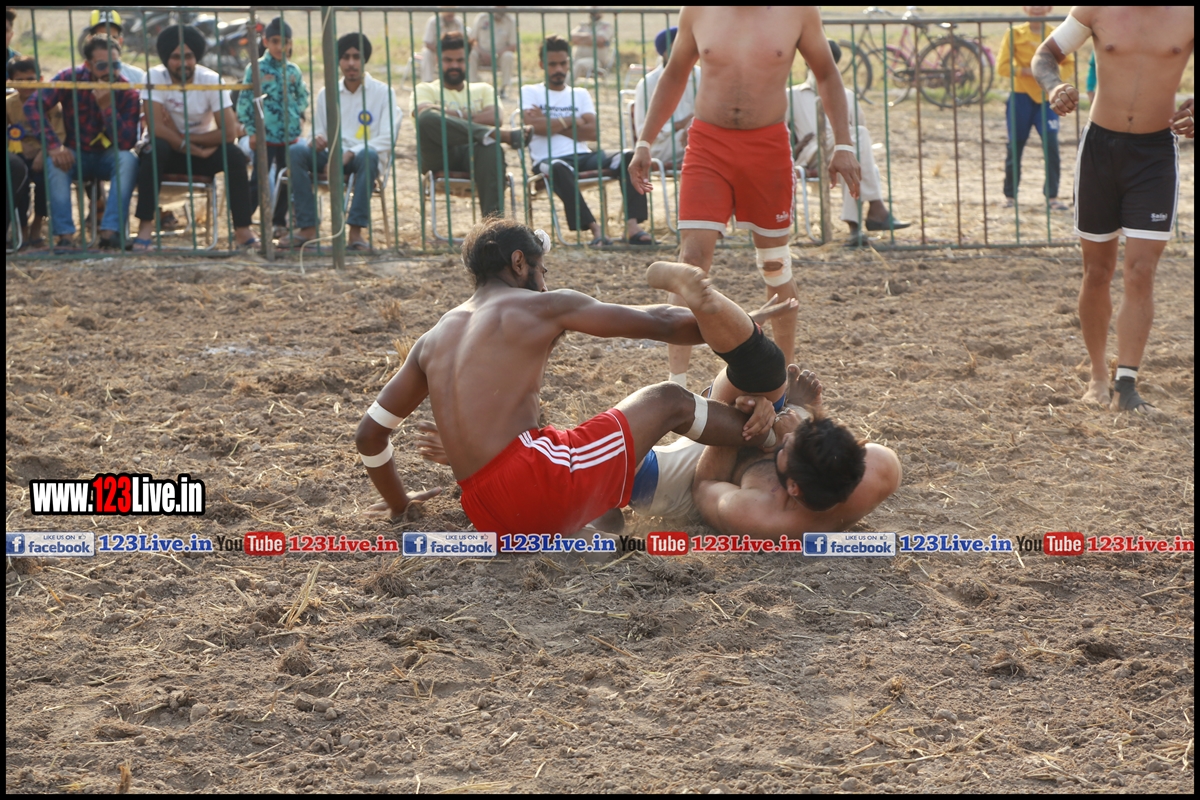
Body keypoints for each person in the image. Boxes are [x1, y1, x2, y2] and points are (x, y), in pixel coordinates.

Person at [355, 218, 791, 535]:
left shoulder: (431, 339)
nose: (545, 284)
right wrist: (734, 325)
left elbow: (369, 436)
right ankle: (772, 435)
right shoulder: (541, 306)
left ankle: (593, 524)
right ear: (519, 262)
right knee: (668, 399)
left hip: (487, 512)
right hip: (534, 481)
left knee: (608, 516)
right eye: (543, 271)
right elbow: (661, 321)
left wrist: (400, 503)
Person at [629, 7, 862, 387]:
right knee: (691, 261)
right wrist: (644, 141)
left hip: (767, 147)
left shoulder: (797, 12)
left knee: (775, 264)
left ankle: (781, 384)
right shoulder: (698, 10)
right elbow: (675, 73)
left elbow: (826, 73)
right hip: (708, 145)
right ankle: (676, 385)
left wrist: (844, 144)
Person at [1033, 7, 1193, 416]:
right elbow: (1045, 54)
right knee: (1097, 270)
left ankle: (1126, 385)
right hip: (1099, 151)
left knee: (1140, 270)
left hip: (1155, 155)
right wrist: (1054, 86)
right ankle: (1097, 376)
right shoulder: (1096, 8)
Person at [521, 35, 654, 247]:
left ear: (569, 63)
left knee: (628, 156)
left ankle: (632, 227)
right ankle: (595, 230)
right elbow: (534, 126)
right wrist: (574, 120)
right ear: (541, 65)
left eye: (563, 63)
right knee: (557, 167)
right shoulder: (530, 91)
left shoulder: (580, 93)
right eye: (552, 64)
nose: (558, 69)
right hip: (550, 161)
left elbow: (592, 132)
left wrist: (549, 122)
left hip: (583, 156)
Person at [133, 26, 255, 251]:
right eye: (176, 57)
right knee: (156, 148)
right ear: (166, 59)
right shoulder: (154, 77)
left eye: (188, 56)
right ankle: (145, 228)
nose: (183, 63)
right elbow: (156, 128)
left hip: (200, 152)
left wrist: (186, 139)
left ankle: (242, 230)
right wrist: (190, 145)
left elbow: (228, 133)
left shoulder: (211, 79)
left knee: (235, 155)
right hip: (166, 154)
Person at [282, 34, 398, 252]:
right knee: (296, 151)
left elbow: (388, 137)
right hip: (331, 155)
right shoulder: (327, 93)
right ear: (338, 61)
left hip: (362, 158)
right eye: (345, 57)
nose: (351, 63)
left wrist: (351, 153)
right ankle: (307, 228)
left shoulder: (383, 93)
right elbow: (317, 130)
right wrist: (316, 140)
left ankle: (355, 232)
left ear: (364, 60)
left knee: (369, 155)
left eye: (356, 57)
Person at [23, 35, 139, 251]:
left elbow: (126, 142)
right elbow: (32, 105)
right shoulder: (70, 78)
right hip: (73, 152)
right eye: (102, 65)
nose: (110, 71)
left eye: (115, 65)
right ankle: (65, 237)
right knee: (54, 162)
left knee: (129, 159)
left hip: (108, 155)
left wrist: (107, 108)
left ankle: (110, 233)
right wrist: (53, 146)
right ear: (88, 64)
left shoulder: (127, 91)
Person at [789, 40, 911, 243]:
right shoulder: (792, 95)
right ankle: (877, 209)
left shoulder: (847, 96)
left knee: (856, 150)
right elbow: (777, 131)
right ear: (807, 62)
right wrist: (797, 147)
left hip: (842, 150)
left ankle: (855, 229)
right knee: (857, 138)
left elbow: (859, 133)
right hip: (811, 154)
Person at [414, 31, 525, 220]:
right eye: (448, 60)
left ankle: (493, 226)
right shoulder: (425, 89)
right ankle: (498, 135)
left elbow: (495, 118)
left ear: (468, 60)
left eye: (460, 60)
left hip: (475, 153)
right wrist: (475, 119)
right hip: (439, 153)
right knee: (426, 118)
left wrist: (449, 114)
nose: (454, 65)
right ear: (438, 60)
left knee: (492, 148)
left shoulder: (483, 89)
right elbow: (423, 115)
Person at [237, 16, 308, 236]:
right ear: (266, 42)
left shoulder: (293, 71)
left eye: (284, 42)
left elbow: (303, 96)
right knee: (259, 179)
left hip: (289, 135)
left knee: (286, 178)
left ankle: (278, 222)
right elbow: (245, 102)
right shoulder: (256, 69)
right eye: (275, 41)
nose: (280, 47)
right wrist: (251, 130)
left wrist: (296, 113)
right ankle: (244, 223)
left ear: (290, 44)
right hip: (264, 135)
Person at [997, 6, 1074, 211]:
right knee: (1015, 146)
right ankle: (1010, 196)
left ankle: (1052, 197)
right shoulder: (1013, 34)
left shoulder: (1057, 34)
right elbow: (1002, 67)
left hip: (1047, 98)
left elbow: (1069, 64)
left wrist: (1050, 76)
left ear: (1049, 8)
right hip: (1020, 96)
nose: (1037, 8)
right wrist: (1026, 71)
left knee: (1051, 145)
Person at [7, 56, 65, 248]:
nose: (26, 84)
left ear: (40, 79)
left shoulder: (51, 103)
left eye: (31, 79)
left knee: (45, 183)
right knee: (19, 183)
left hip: (46, 154)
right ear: (11, 82)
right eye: (20, 80)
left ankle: (37, 225)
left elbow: (59, 133)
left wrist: (43, 153)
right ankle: (22, 229)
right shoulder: (9, 104)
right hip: (18, 154)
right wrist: (19, 147)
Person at [632, 27, 700, 167]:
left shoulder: (702, 76)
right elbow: (642, 131)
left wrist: (692, 123)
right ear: (664, 52)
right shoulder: (649, 83)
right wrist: (682, 125)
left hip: (696, 135)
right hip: (662, 145)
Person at [83, 10, 146, 87]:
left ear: (120, 41)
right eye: (100, 37)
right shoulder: (74, 78)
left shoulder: (137, 77)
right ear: (90, 40)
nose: (106, 42)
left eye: (113, 38)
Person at [469, 7, 517, 96]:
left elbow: (513, 46)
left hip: (499, 56)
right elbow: (472, 40)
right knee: (471, 54)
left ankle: (504, 88)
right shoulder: (482, 18)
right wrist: (482, 53)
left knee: (509, 56)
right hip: (481, 54)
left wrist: (495, 55)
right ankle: (473, 86)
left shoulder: (510, 21)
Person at [421, 10, 469, 85]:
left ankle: (466, 82)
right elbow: (427, 42)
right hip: (435, 52)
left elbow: (463, 40)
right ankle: (427, 81)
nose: (451, 14)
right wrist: (440, 52)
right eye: (448, 14)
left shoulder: (459, 22)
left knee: (468, 54)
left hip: (455, 53)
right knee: (427, 53)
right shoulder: (433, 22)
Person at [571, 11, 614, 82]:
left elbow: (600, 40)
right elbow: (572, 38)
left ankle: (564, 86)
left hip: (596, 62)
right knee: (560, 62)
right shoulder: (583, 25)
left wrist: (581, 40)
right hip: (576, 58)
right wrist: (591, 39)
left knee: (580, 64)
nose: (594, 12)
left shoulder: (606, 26)